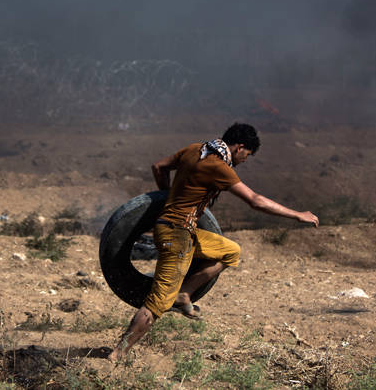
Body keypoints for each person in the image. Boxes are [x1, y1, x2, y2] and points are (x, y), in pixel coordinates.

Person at [108, 123, 319, 362]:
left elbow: (159, 167)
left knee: (230, 251)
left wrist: (168, 198)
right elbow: (255, 201)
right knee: (156, 305)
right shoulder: (218, 166)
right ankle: (117, 354)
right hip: (177, 237)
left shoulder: (194, 149)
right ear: (239, 148)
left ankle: (184, 294)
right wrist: (297, 215)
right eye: (245, 156)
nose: (243, 161)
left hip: (176, 230)